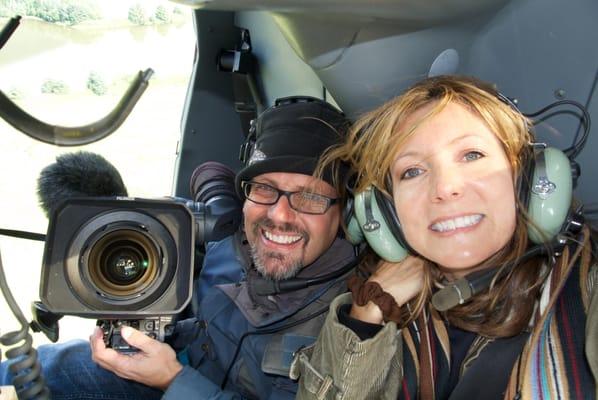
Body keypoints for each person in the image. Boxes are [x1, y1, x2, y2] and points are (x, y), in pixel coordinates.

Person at [0, 96, 356, 399]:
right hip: (173, 369)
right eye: (264, 188)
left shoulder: (351, 324)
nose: (279, 214)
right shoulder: (233, 246)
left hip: (177, 383)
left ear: (345, 211)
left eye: (309, 196)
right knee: (37, 369)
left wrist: (172, 379)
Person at [291, 76, 598, 399]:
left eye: (472, 155)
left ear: (525, 177)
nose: (445, 188)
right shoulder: (386, 312)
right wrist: (367, 315)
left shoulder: (585, 289)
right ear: (384, 213)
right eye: (413, 171)